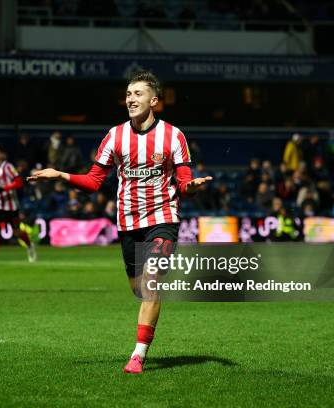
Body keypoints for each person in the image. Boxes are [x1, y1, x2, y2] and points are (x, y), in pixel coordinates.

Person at [28, 71, 212, 374]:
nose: (130, 99)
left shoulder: (173, 135)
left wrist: (189, 187)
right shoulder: (114, 136)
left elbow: (183, 180)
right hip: (128, 222)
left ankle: (138, 355)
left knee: (151, 284)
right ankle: (144, 329)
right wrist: (60, 174)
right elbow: (93, 181)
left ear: (154, 101)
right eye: (128, 94)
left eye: (138, 93)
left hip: (163, 217)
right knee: (138, 289)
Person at [0, 143, 37, 270]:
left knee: (17, 233)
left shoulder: (8, 167)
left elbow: (19, 182)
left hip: (11, 206)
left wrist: (5, 188)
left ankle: (30, 246)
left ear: (1, 155)